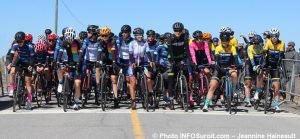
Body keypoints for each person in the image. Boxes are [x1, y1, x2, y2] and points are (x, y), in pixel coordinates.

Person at [202, 32, 239, 112]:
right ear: (221, 40)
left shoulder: (232, 47)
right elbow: (217, 61)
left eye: (226, 41)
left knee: (234, 74)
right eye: (223, 41)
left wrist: (237, 66)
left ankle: (235, 89)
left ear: (229, 40)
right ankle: (206, 105)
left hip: (229, 68)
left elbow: (235, 58)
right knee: (212, 86)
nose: (225, 42)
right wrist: (219, 68)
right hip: (219, 69)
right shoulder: (218, 48)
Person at [7, 31, 35, 110]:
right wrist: (9, 63)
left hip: (28, 62)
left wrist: (30, 65)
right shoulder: (15, 46)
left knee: (28, 82)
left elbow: (33, 58)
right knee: (12, 71)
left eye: (20, 41)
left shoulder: (30, 47)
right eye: (17, 41)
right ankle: (12, 89)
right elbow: (11, 55)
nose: (19, 43)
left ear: (24, 40)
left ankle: (29, 100)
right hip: (19, 61)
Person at [57, 27, 82, 110]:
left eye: (71, 39)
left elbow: (81, 54)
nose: (70, 41)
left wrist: (78, 63)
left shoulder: (78, 42)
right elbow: (60, 53)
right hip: (69, 62)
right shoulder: (64, 42)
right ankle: (67, 93)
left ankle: (76, 101)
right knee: (69, 81)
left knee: (77, 83)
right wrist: (58, 61)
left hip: (78, 63)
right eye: (68, 39)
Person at [167, 22, 191, 109]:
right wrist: (172, 61)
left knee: (186, 74)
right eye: (176, 30)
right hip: (171, 58)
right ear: (173, 30)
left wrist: (190, 60)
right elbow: (169, 51)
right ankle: (171, 99)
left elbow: (187, 50)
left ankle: (184, 94)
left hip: (180, 58)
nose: (178, 32)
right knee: (171, 80)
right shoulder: (170, 38)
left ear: (182, 30)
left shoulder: (184, 37)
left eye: (180, 30)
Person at [128, 27, 152, 110]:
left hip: (142, 62)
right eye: (138, 35)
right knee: (133, 83)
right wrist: (133, 63)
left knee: (148, 77)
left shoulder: (145, 43)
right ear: (135, 36)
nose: (140, 36)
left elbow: (148, 52)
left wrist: (151, 61)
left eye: (141, 35)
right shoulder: (132, 43)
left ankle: (149, 94)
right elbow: (130, 55)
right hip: (133, 63)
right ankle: (133, 101)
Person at [264, 28, 285, 112]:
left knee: (276, 87)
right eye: (272, 36)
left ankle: (276, 105)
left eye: (276, 36)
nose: (274, 38)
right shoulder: (268, 42)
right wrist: (264, 65)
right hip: (267, 64)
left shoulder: (282, 43)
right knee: (261, 77)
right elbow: (265, 53)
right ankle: (258, 91)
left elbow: (281, 55)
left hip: (275, 66)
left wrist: (279, 65)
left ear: (278, 36)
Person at [244, 35, 265, 107]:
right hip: (249, 65)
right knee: (248, 83)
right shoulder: (250, 48)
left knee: (261, 76)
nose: (255, 45)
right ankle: (247, 100)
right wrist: (253, 66)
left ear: (260, 43)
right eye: (254, 43)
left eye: (257, 43)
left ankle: (257, 92)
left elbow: (263, 59)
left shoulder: (262, 49)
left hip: (258, 65)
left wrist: (261, 66)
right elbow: (251, 57)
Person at [116, 25, 134, 100]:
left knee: (127, 78)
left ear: (129, 32)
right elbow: (116, 50)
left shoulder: (133, 41)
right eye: (123, 32)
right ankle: (118, 91)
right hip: (120, 59)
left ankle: (128, 92)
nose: (124, 34)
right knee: (118, 76)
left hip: (129, 60)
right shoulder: (119, 40)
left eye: (126, 32)